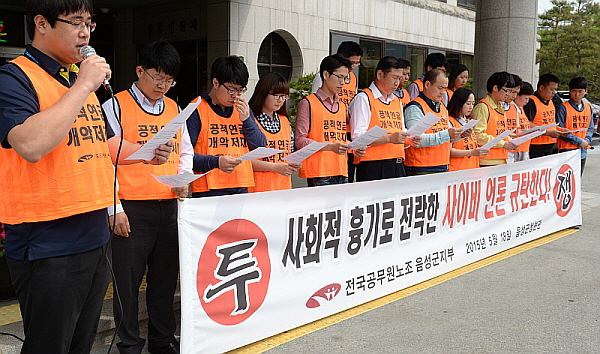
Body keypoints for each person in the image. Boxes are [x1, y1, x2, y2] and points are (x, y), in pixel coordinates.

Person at [0, 1, 172, 353]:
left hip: (94, 234)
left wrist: (148, 153)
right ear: (42, 23)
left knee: (81, 343)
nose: (85, 32)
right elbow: (30, 144)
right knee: (50, 344)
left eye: (90, 23)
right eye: (76, 22)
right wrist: (82, 85)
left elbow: (107, 146)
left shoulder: (80, 81)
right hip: (48, 239)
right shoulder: (15, 77)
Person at [102, 40, 191, 354]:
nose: (163, 86)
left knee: (165, 281)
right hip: (131, 208)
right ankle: (129, 344)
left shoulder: (175, 108)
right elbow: (103, 160)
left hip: (168, 205)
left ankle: (162, 339)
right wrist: (114, 207)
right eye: (157, 78)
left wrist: (183, 182)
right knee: (127, 284)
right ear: (140, 71)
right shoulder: (115, 105)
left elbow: (185, 151)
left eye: (169, 81)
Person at [186, 56, 266, 197]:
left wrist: (247, 120)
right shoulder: (196, 109)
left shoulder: (242, 109)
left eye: (241, 90)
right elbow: (185, 156)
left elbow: (260, 146)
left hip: (241, 185)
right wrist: (216, 162)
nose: (236, 96)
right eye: (231, 90)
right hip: (209, 190)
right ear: (216, 83)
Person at [349, 56, 420, 181]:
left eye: (400, 78)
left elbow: (401, 130)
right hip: (373, 165)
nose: (397, 83)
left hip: (397, 162)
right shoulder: (364, 98)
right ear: (380, 74)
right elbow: (358, 137)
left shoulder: (396, 101)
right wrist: (389, 138)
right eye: (394, 78)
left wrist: (411, 139)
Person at [295, 54, 356, 186]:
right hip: (319, 173)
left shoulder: (341, 105)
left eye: (345, 78)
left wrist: (353, 148)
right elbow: (300, 140)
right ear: (326, 75)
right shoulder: (308, 103)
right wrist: (328, 146)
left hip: (341, 170)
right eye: (339, 77)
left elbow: (338, 137)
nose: (343, 82)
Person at [248, 72, 301, 192]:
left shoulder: (284, 121)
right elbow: (244, 160)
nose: (280, 100)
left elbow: (289, 153)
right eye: (276, 95)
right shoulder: (250, 122)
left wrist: (294, 164)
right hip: (257, 190)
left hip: (283, 188)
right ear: (263, 93)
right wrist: (274, 167)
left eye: (284, 96)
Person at [403, 69, 461, 175]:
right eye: (440, 88)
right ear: (427, 84)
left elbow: (448, 137)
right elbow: (415, 139)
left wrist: (460, 135)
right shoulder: (415, 107)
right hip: (420, 168)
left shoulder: (442, 107)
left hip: (441, 165)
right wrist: (447, 134)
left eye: (445, 88)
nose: (443, 92)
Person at [472, 72, 519, 166]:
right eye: (507, 90)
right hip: (487, 160)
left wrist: (510, 140)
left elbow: (498, 132)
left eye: (511, 91)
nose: (508, 94)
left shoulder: (500, 106)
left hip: (501, 158)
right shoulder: (483, 107)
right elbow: (478, 136)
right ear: (495, 88)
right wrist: (503, 144)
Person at [556, 76, 595, 174]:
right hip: (567, 150)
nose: (577, 94)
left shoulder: (587, 107)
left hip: (582, 151)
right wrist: (580, 141)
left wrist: (586, 140)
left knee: (578, 180)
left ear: (586, 91)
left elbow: (590, 127)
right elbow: (560, 130)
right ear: (569, 91)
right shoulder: (563, 108)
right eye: (574, 91)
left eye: (580, 91)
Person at [447, 88, 489, 171]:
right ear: (459, 103)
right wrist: (471, 152)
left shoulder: (469, 122)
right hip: (457, 170)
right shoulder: (450, 122)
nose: (471, 107)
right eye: (468, 103)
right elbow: (449, 151)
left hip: (472, 169)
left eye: (473, 104)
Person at [523, 73, 564, 158]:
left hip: (550, 144)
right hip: (535, 146)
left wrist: (561, 130)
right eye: (552, 89)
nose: (554, 93)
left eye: (555, 90)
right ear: (541, 88)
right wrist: (547, 132)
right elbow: (526, 124)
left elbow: (551, 122)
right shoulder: (531, 102)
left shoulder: (551, 102)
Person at [311, 41, 363, 106]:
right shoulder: (325, 76)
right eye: (352, 62)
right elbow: (315, 101)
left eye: (357, 63)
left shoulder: (353, 78)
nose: (353, 67)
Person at [504, 75, 532, 163]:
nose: (513, 95)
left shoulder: (516, 108)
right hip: (508, 147)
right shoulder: (506, 107)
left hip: (520, 146)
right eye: (511, 92)